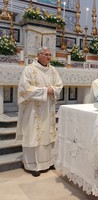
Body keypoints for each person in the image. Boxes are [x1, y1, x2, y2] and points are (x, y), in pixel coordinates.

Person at [16, 47, 63, 177]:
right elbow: (25, 88)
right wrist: (44, 91)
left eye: (50, 55)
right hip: (33, 109)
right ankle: (33, 165)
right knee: (34, 134)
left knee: (48, 133)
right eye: (46, 55)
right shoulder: (29, 69)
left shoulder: (53, 70)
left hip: (48, 109)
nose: (49, 57)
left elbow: (59, 85)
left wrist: (53, 89)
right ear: (38, 55)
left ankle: (48, 162)